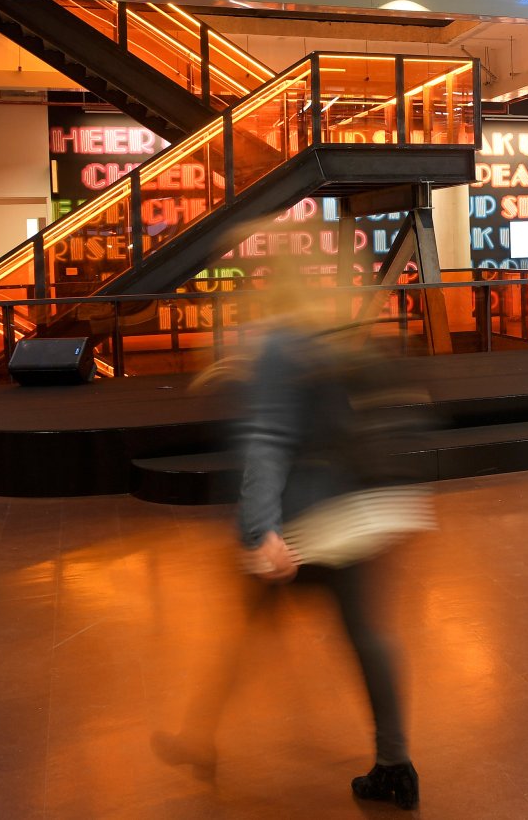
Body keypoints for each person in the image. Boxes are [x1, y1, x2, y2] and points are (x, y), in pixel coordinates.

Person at [153, 302, 423, 810]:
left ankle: (198, 735)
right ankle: (396, 765)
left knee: (248, 622)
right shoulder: (331, 335)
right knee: (369, 636)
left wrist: (259, 530)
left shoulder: (279, 344)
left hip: (301, 523)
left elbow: (269, 440)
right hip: (353, 511)